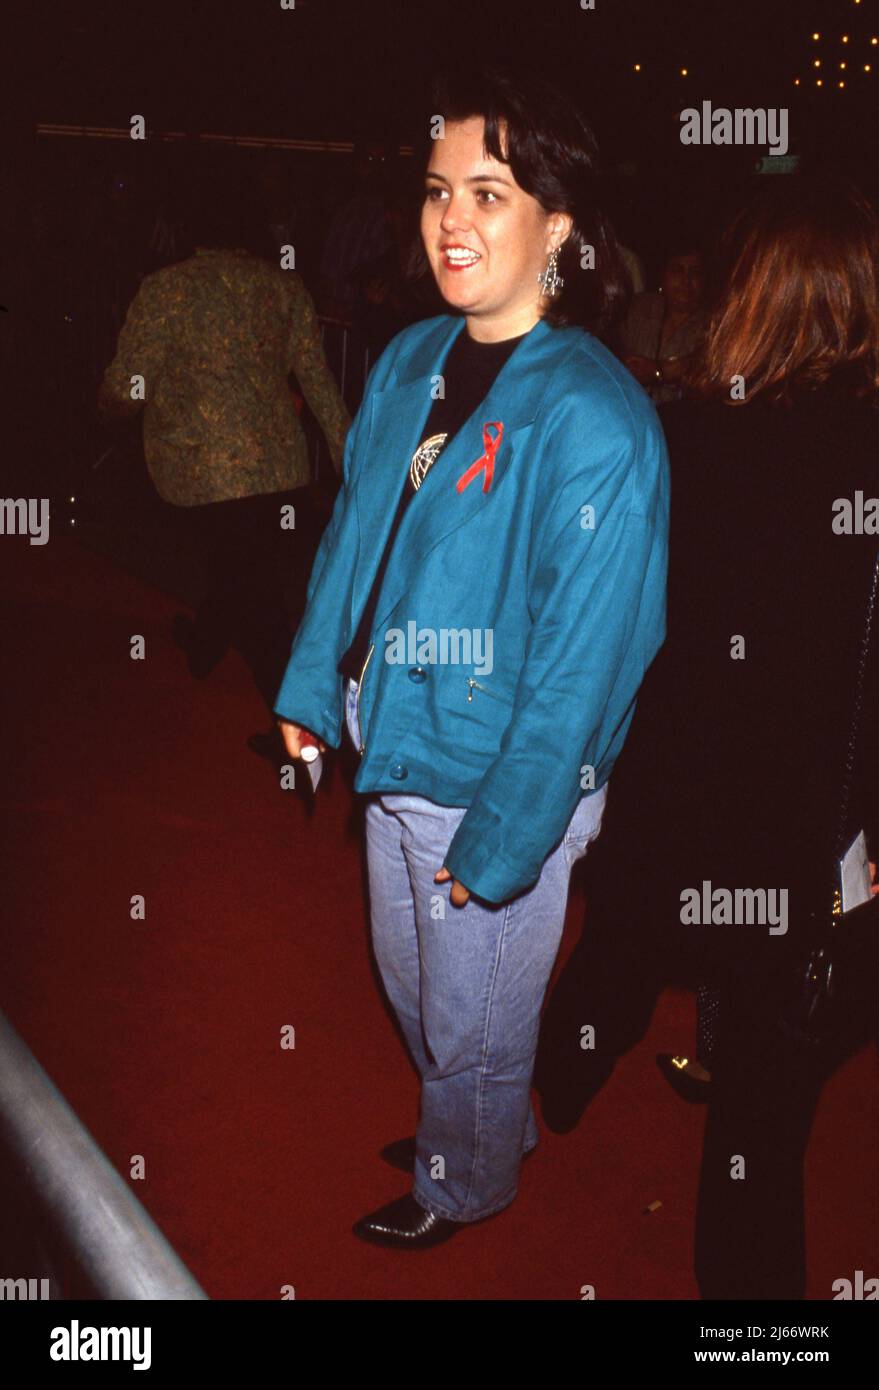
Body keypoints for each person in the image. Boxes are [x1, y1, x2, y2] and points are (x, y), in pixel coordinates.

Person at [273, 66, 669, 1249]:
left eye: (491, 194)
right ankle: (485, 1116)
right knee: (423, 992)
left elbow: (587, 661)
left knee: (473, 1012)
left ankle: (467, 1177)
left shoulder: (595, 420)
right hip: (392, 731)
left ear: (561, 226)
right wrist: (307, 690)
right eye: (441, 190)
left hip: (499, 772)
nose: (452, 219)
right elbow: (352, 539)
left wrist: (507, 834)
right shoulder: (406, 361)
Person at [545, 173, 879, 1298]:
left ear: (753, 301)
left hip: (681, 804)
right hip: (817, 849)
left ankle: (561, 1082)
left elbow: (612, 626)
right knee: (760, 1138)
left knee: (621, 956)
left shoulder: (681, 440)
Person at [97, 194, 349, 749]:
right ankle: (206, 644)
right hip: (279, 470)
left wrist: (105, 408)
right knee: (241, 564)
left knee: (258, 602)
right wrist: (345, 454)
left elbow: (125, 385)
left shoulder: (166, 289)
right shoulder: (283, 287)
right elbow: (318, 380)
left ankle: (302, 731)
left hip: (203, 472)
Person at [619, 244, 706, 403]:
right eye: (677, 271)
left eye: (695, 273)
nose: (686, 280)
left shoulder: (713, 325)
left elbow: (709, 367)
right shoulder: (639, 308)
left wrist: (660, 371)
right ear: (663, 276)